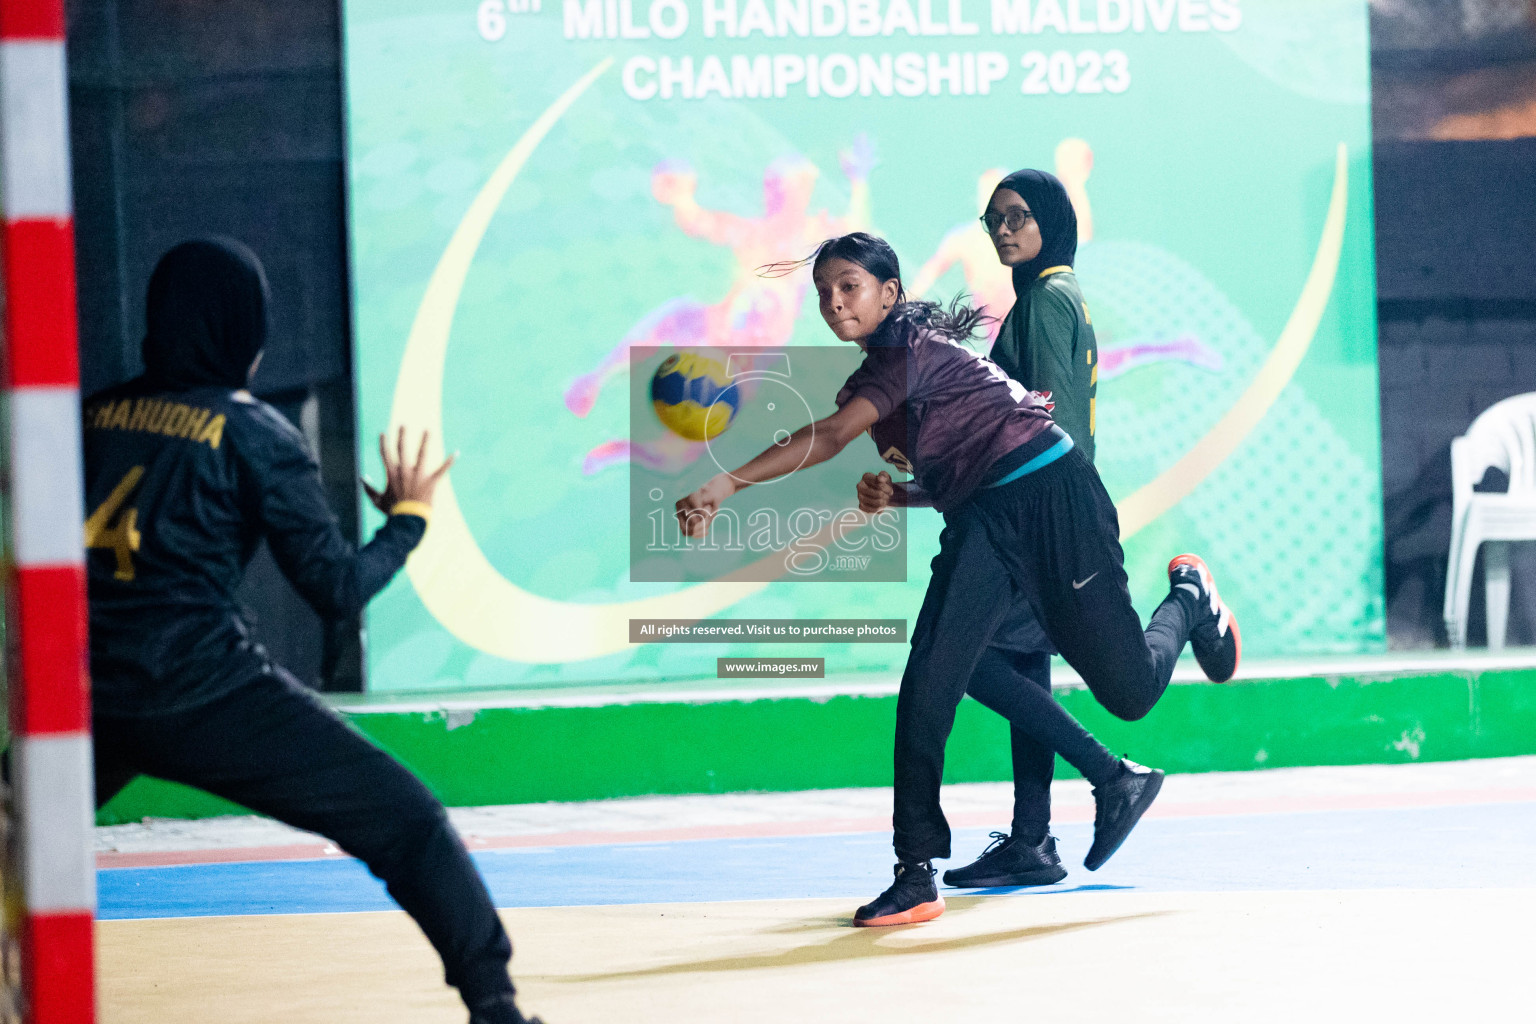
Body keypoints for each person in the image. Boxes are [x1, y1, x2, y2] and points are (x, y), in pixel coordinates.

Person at [675, 232, 1239, 927]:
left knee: (1128, 691)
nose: (833, 301)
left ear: (889, 292)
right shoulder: (882, 375)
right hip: (987, 520)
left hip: (1056, 499)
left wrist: (726, 482)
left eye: (848, 285)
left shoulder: (906, 354)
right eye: (823, 291)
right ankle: (918, 872)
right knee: (937, 676)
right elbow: (964, 469)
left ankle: (1187, 599)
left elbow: (827, 438)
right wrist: (905, 495)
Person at [83, 239, 541, 1024]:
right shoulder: (252, 433)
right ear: (245, 330)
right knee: (409, 824)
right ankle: (495, 1008)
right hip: (206, 695)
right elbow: (336, 589)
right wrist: (409, 518)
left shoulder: (87, 417)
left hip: (88, 697)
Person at [940, 168, 1113, 889]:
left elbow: (1047, 423)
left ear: (1049, 219)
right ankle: (1034, 840)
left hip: (1035, 515)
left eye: (1017, 216)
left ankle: (1110, 776)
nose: (1005, 230)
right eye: (994, 221)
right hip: (1054, 511)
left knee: (964, 655)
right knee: (1020, 663)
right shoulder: (1056, 295)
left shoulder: (1044, 300)